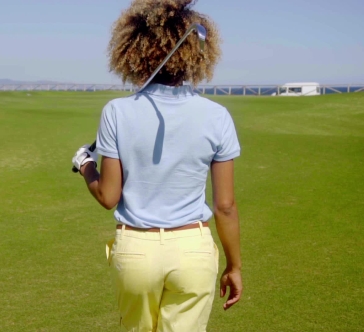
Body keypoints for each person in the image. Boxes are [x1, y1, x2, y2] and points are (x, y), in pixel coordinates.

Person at [72, 0, 242, 330]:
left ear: (135, 49)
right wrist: (234, 266)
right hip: (193, 252)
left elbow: (108, 196)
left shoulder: (116, 112)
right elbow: (226, 207)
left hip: (136, 252)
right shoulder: (217, 116)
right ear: (196, 52)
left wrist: (85, 164)